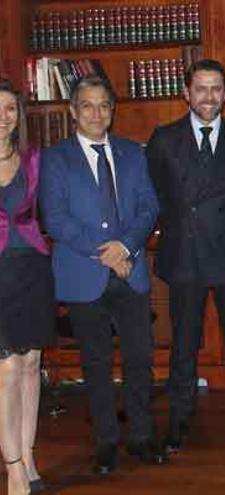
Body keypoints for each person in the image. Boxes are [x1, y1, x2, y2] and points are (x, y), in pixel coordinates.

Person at [39, 74, 166, 475]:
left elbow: (149, 207)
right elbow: (56, 219)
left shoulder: (133, 153)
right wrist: (108, 254)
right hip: (84, 275)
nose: (97, 113)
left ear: (112, 112)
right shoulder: (55, 159)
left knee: (139, 359)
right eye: (88, 106)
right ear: (74, 112)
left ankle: (142, 437)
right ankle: (106, 443)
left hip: (131, 274)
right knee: (95, 364)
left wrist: (126, 246)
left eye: (104, 106)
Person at [146, 59, 225, 452]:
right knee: (183, 343)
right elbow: (157, 195)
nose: (209, 97)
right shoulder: (163, 139)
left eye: (216, 89)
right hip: (185, 254)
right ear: (186, 93)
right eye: (201, 88)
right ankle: (179, 419)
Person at [0, 80, 55, 495]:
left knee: (32, 365)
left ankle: (29, 452)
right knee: (6, 372)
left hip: (33, 270)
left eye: (11, 110)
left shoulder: (34, 160)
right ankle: (13, 467)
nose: (3, 118)